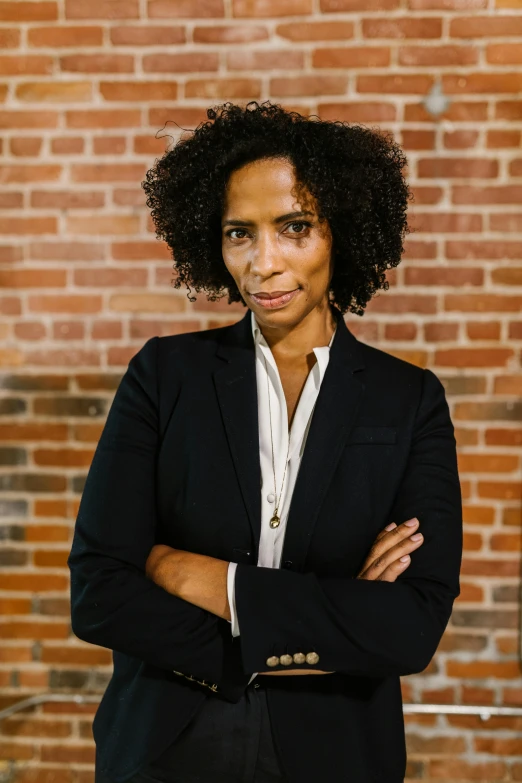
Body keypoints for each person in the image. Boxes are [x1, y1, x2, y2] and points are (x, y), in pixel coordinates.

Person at [67, 100, 462, 783]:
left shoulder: (409, 400)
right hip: (166, 741)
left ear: (341, 231)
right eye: (239, 233)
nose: (264, 261)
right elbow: (100, 590)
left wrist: (210, 580)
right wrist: (325, 619)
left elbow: (409, 625)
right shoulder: (164, 376)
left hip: (335, 750)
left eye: (294, 227)